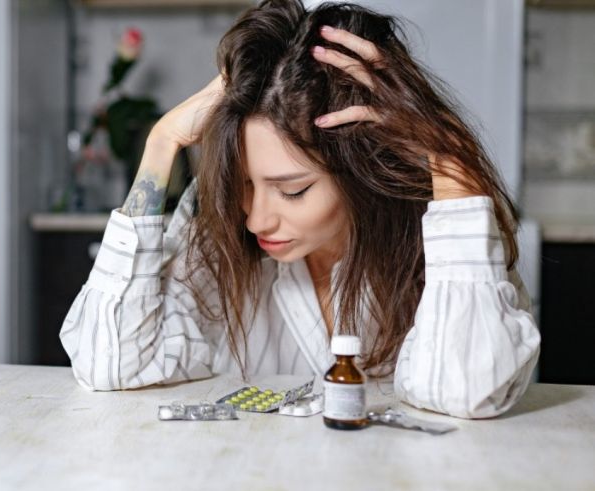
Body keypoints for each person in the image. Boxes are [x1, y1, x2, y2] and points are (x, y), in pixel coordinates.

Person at [59, 0, 540, 419]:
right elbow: (109, 364)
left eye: (292, 191)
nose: (255, 220)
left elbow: (467, 392)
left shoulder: (439, 234)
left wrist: (450, 153)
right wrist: (162, 142)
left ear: (364, 169)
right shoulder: (216, 231)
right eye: (244, 185)